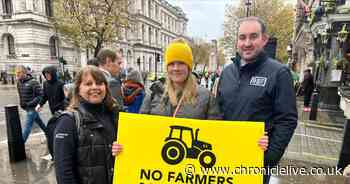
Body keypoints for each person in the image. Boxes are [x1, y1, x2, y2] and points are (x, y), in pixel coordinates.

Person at [217, 17, 297, 184]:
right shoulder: (227, 72)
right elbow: (218, 112)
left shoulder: (279, 73)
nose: (247, 43)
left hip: (255, 164)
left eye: (253, 36)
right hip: (225, 158)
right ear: (237, 41)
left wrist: (268, 158)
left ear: (264, 39)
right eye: (242, 37)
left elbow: (287, 120)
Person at [54, 66, 122, 184]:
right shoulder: (68, 121)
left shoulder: (113, 115)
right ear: (78, 89)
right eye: (88, 84)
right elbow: (64, 172)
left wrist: (119, 151)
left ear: (106, 87)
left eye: (99, 83)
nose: (95, 87)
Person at [140, 39, 222, 119]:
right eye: (171, 64)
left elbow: (214, 130)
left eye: (181, 63)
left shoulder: (206, 97)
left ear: (189, 67)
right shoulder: (153, 93)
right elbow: (140, 127)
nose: (176, 68)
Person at [36, 65, 66, 158]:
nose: (47, 76)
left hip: (61, 111)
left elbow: (65, 99)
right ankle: (56, 152)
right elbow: (44, 96)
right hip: (53, 111)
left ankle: (60, 151)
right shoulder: (45, 84)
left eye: (49, 74)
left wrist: (61, 108)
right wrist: (40, 104)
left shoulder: (61, 84)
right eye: (45, 75)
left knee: (58, 131)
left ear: (53, 74)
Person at [15, 65, 47, 143]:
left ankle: (20, 145)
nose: (17, 75)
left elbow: (40, 95)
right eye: (16, 73)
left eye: (19, 72)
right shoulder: (19, 83)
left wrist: (29, 103)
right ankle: (49, 133)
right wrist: (22, 104)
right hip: (26, 108)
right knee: (40, 122)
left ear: (24, 72)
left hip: (32, 108)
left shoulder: (33, 82)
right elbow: (20, 95)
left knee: (27, 127)